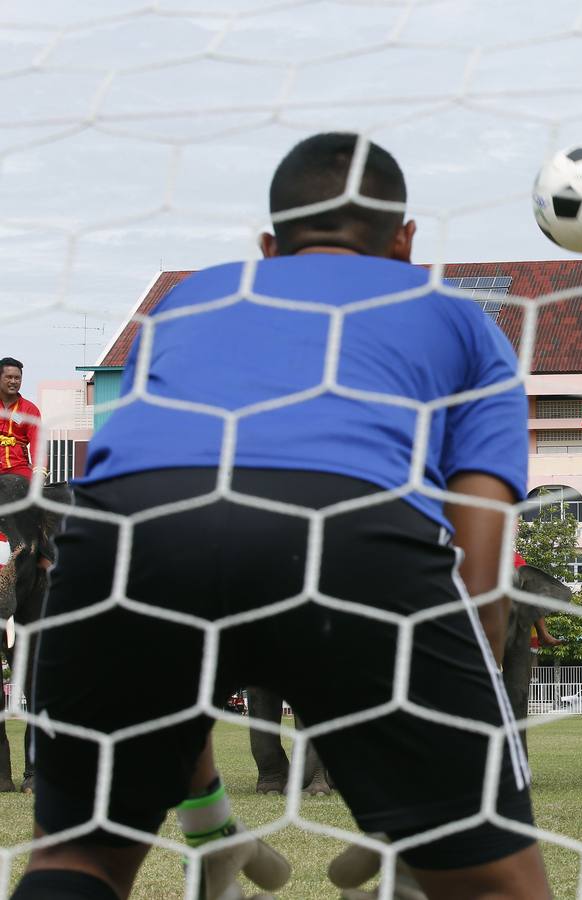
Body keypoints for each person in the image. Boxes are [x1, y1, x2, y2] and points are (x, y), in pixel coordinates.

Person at [14, 133, 550, 900]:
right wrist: (435, 785)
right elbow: (483, 581)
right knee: (498, 885)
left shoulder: (191, 300)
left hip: (127, 544)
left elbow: (180, 547)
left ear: (269, 247)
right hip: (349, 536)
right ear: (405, 242)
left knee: (76, 862)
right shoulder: (459, 320)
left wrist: (201, 810)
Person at [0, 357, 41, 480]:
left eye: (17, 378)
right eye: (9, 377)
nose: (13, 381)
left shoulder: (30, 410)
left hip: (19, 468)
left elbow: (37, 444)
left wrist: (39, 471)